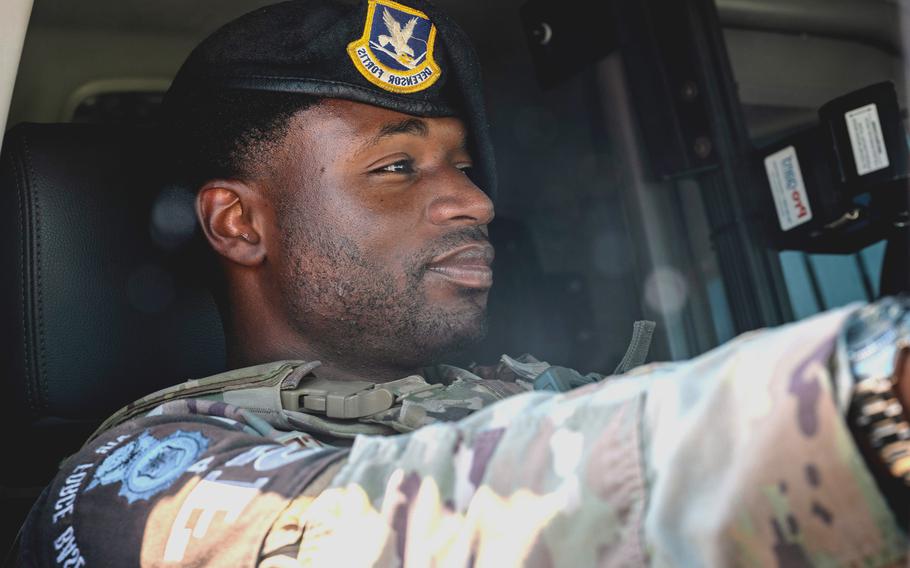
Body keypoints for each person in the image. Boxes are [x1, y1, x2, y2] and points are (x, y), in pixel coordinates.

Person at [17, 0, 909, 565]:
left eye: (465, 166)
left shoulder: (535, 392)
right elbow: (401, 535)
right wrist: (862, 403)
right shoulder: (137, 489)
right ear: (238, 224)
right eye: (398, 167)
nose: (475, 202)